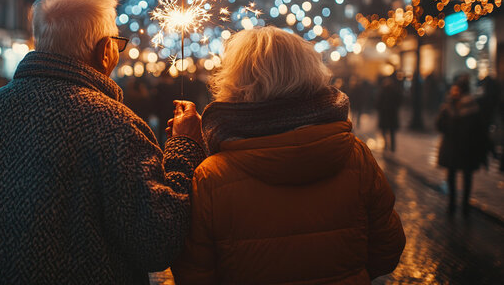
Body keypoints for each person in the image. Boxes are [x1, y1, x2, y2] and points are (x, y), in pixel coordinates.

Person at [0, 0, 206, 284]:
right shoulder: (115, 126)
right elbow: (158, 243)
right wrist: (184, 148)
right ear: (105, 50)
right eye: (117, 44)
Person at [172, 27, 405, 284]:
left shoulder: (212, 176)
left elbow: (193, 273)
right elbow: (387, 249)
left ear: (236, 84)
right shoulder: (356, 156)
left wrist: (184, 148)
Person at [436, 76, 484, 215]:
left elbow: (478, 129)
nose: (453, 92)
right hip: (459, 148)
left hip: (463, 147)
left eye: (456, 89)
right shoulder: (450, 106)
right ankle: (457, 204)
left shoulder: (469, 107)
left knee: (463, 176)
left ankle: (461, 205)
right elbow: (439, 125)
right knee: (455, 176)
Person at [376, 76, 402, 152]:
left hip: (387, 114)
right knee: (390, 132)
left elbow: (378, 103)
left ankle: (388, 146)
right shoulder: (393, 91)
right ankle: (389, 146)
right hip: (389, 114)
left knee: (388, 131)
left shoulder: (384, 92)